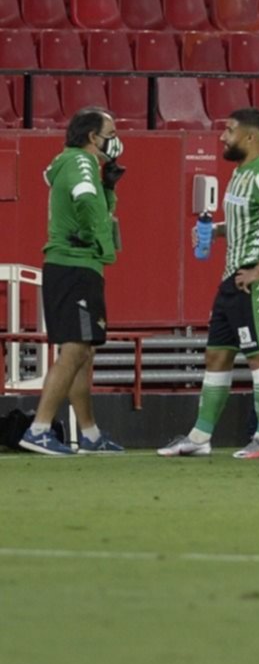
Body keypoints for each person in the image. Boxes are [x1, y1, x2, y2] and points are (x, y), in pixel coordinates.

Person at [158, 108, 259, 460]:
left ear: (250, 138)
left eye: (230, 130)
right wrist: (219, 230)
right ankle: (199, 437)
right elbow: (255, 221)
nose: (223, 136)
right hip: (230, 281)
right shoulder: (239, 175)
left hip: (253, 281)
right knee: (216, 355)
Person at [19, 107, 126, 456]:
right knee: (75, 349)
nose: (115, 140)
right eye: (110, 133)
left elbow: (98, 204)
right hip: (74, 266)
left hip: (79, 267)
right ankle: (39, 428)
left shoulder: (78, 163)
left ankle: (90, 435)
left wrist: (108, 187)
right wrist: (92, 236)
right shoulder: (80, 162)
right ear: (93, 137)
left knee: (84, 351)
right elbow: (85, 199)